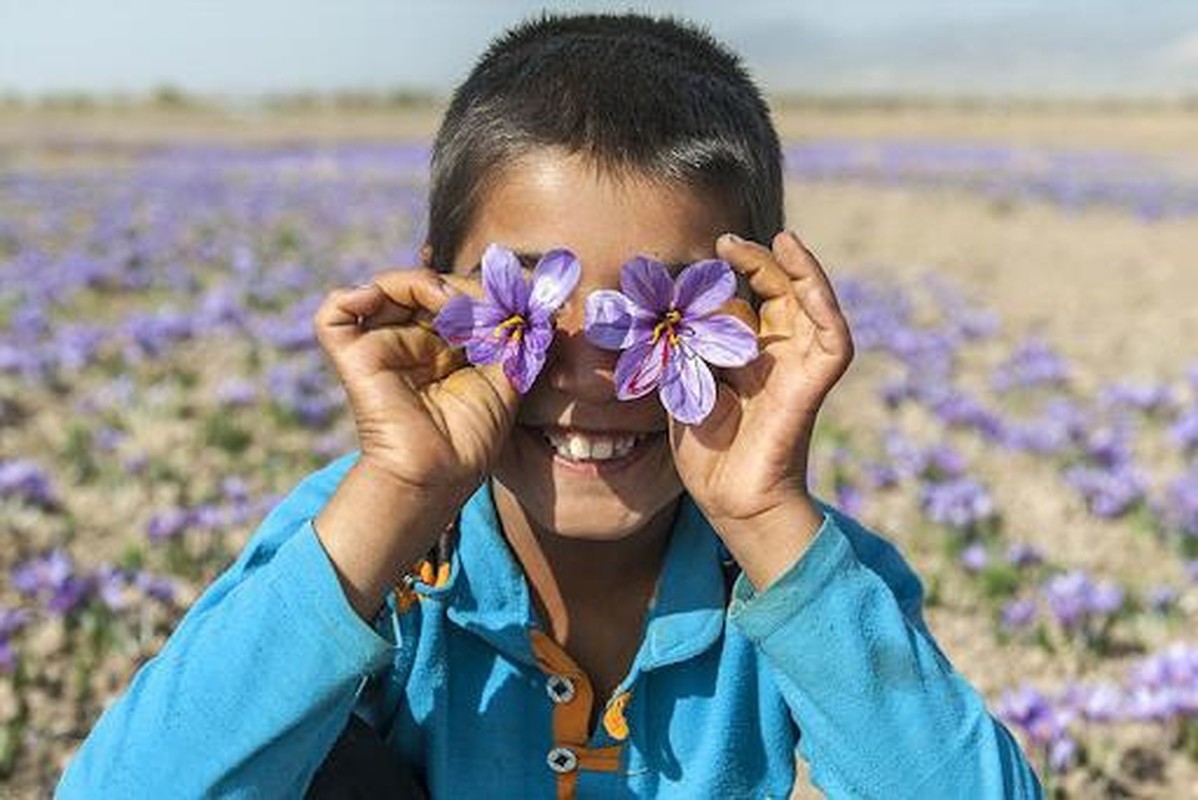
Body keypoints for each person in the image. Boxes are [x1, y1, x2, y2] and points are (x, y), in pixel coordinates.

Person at [57, 12, 1043, 799]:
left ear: (759, 320)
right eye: (527, 307)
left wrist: (761, 516)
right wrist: (398, 490)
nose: (593, 371)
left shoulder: (806, 580)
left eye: (654, 313)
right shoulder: (376, 549)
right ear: (436, 295)